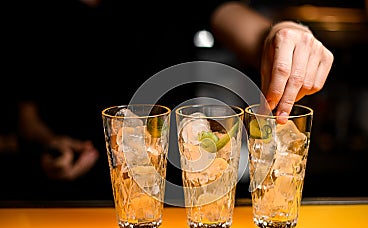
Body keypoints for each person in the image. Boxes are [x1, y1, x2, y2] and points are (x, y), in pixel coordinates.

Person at [13, 0, 333, 201]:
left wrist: (287, 33)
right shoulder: (35, 15)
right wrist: (53, 146)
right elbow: (27, 121)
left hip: (172, 201)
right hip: (63, 201)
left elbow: (254, 32)